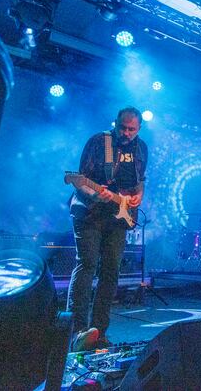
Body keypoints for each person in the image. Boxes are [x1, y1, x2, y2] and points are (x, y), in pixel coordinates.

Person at [67, 107, 148, 351]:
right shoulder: (99, 141)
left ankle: (99, 332)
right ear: (115, 123)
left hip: (118, 217)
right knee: (87, 264)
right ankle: (76, 331)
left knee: (111, 271)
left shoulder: (141, 148)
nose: (126, 133)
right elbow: (80, 180)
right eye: (122, 127)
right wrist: (96, 194)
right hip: (89, 213)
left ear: (139, 129)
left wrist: (138, 196)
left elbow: (141, 180)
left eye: (131, 129)